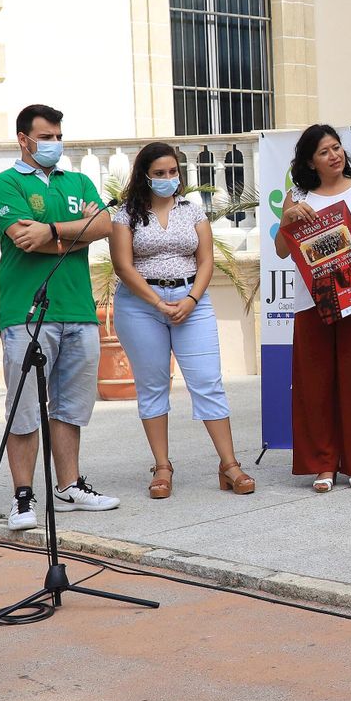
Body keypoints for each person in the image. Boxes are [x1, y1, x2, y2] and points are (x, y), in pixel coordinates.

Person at [0, 104, 120, 530]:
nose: (55, 144)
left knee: (71, 406)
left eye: (58, 136)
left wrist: (53, 231)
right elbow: (23, 239)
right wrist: (72, 232)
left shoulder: (78, 180)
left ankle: (69, 486)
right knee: (24, 406)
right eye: (46, 137)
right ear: (24, 139)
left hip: (78, 308)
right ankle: (23, 496)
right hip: (27, 313)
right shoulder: (4, 183)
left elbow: (104, 226)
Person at [109, 142, 254, 499]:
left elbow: (206, 261)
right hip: (142, 306)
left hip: (192, 302)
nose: (167, 179)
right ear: (144, 175)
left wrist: (190, 299)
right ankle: (162, 467)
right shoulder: (126, 213)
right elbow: (123, 266)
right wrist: (158, 302)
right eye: (159, 173)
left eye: (173, 172)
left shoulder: (192, 210)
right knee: (153, 384)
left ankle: (229, 465)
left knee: (208, 382)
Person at [275, 125, 351, 492]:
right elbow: (281, 250)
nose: (334, 156)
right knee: (314, 384)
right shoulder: (297, 196)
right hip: (313, 302)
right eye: (324, 152)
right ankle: (323, 464)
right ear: (310, 160)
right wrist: (287, 221)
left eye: (337, 148)